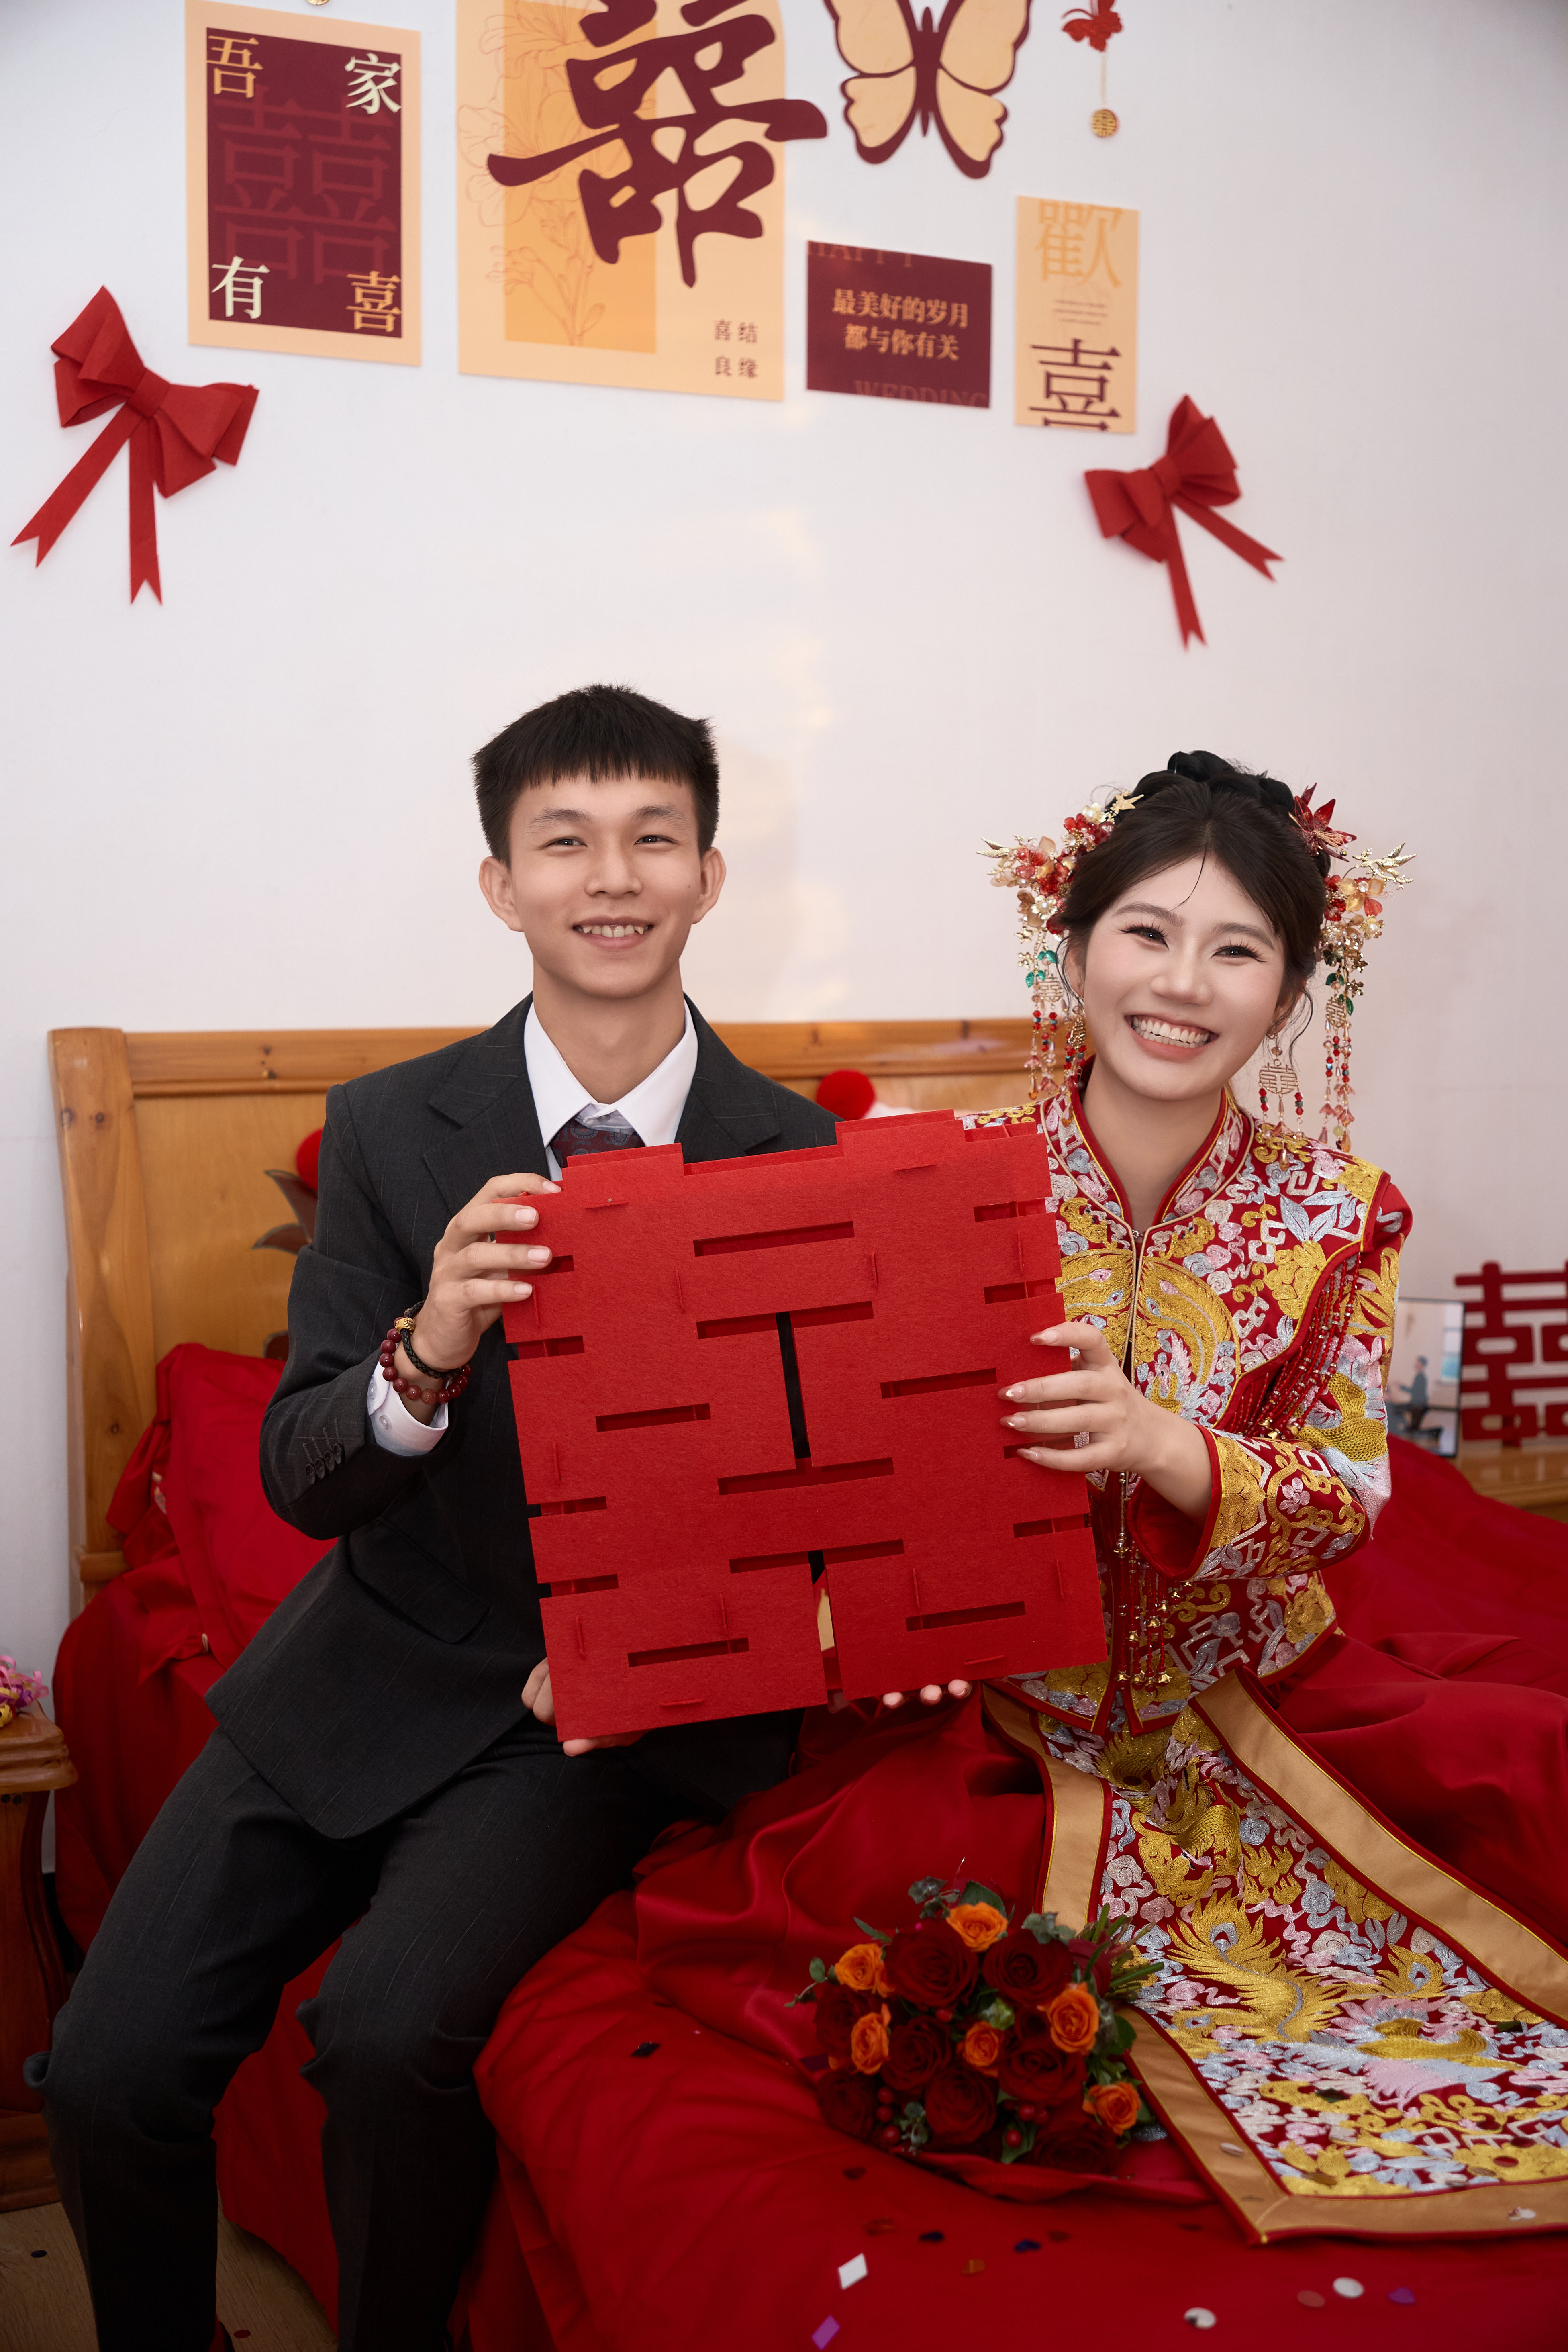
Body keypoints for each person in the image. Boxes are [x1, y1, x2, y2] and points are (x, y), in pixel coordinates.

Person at [466, 754, 1568, 2346]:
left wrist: (1166, 1446)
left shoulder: (1343, 1213)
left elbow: (1343, 1490)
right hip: (993, 1720)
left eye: (1236, 950)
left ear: (1289, 994)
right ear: (1073, 947)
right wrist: (657, 1638)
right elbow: (806, 1473)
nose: (1181, 985)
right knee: (968, 2000)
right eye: (1147, 934)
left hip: (1245, 1706)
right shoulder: (932, 1178)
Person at [32, 685, 862, 2352]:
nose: (610, 876)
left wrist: (654, 1644)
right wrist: (433, 1340)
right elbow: (303, 1476)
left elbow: (821, 1499)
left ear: (709, 877)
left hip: (593, 1718)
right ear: (501, 884)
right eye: (565, 841)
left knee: (386, 2031)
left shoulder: (798, 1157)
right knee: (108, 2069)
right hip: (366, 1663)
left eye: (653, 838)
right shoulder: (387, 1127)